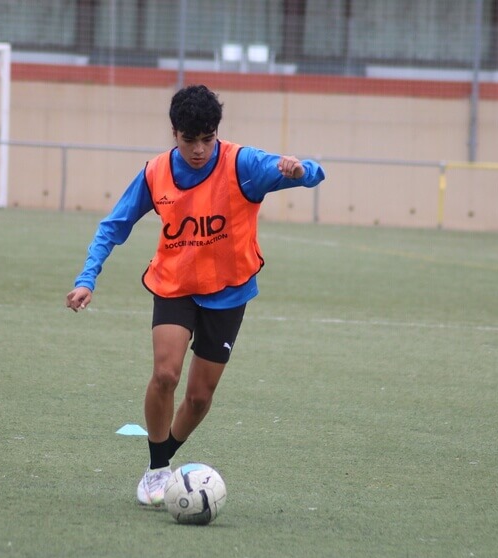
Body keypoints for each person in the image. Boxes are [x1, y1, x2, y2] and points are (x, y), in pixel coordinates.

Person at [66, 84, 325, 507]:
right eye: (190, 140)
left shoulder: (243, 164)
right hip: (175, 285)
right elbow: (113, 226)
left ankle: (164, 458)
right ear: (174, 133)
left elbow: (315, 172)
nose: (200, 150)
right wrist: (86, 278)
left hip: (229, 291)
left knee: (200, 398)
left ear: (216, 132)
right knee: (166, 374)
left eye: (208, 139)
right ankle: (155, 471)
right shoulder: (155, 173)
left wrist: (299, 172)